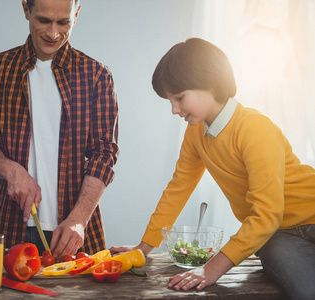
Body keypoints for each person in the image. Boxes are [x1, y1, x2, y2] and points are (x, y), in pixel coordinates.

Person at [110, 38, 315, 300]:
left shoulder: (255, 128)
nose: (174, 110)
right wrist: (144, 247)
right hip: (276, 235)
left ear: (209, 84)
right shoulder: (195, 132)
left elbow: (267, 213)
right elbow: (179, 188)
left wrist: (210, 270)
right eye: (170, 101)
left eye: (179, 98)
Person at [0, 0, 119, 258]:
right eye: (44, 21)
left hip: (72, 230)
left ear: (76, 14)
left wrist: (79, 218)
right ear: (26, 9)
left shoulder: (97, 75)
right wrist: (10, 169)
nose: (53, 33)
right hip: (5, 225)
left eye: (63, 22)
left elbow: (104, 153)